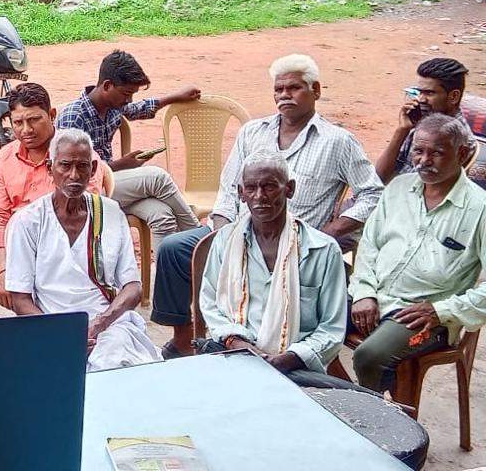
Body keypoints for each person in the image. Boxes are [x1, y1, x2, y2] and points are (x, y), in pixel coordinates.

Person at [152, 54, 383, 360]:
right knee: (174, 249)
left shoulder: (337, 141)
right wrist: (225, 235)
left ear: (316, 90)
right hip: (242, 231)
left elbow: (373, 194)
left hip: (298, 241)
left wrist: (329, 231)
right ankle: (184, 341)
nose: (284, 95)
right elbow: (229, 188)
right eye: (279, 90)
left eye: (294, 88)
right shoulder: (253, 132)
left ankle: (275, 347)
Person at [349, 113, 486, 393]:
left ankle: (378, 427)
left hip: (423, 315)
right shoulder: (398, 188)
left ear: (461, 153)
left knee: (369, 357)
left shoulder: (479, 208)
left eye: (436, 153)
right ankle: (351, 399)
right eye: (418, 151)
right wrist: (364, 292)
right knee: (307, 318)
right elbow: (369, 244)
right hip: (374, 297)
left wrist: (441, 311)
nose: (424, 161)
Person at [6, 129, 160, 371]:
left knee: (114, 364)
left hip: (107, 324)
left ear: (94, 169)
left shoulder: (110, 212)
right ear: (50, 167)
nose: (74, 175)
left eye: (82, 166)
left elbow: (132, 287)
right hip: (52, 327)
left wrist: (99, 324)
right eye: (65, 166)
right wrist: (62, 333)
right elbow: (21, 299)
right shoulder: (27, 221)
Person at [199, 151, 348, 386]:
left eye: (269, 186)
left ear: (289, 189)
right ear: (241, 193)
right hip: (235, 358)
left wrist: (287, 359)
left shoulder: (323, 250)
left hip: (296, 369)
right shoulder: (225, 242)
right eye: (251, 188)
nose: (260, 196)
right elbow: (210, 305)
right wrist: (240, 345)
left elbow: (331, 328)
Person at [0, 83, 106, 316]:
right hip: (9, 242)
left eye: (34, 120)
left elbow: (84, 217)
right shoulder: (7, 155)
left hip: (55, 246)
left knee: (39, 292)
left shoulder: (77, 154)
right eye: (18, 122)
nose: (26, 129)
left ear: (52, 115)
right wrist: (4, 267)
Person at [56, 50, 200, 251]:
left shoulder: (112, 105)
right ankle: (199, 236)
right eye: (126, 94)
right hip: (85, 193)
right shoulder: (74, 117)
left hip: (112, 186)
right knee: (157, 178)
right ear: (107, 85)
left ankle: (164, 281)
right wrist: (120, 165)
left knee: (162, 216)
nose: (129, 100)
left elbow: (139, 108)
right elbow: (70, 174)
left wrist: (175, 97)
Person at [376, 58, 476, 185]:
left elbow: (423, 193)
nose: (421, 99)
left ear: (454, 96)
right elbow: (379, 177)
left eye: (429, 93)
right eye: (419, 92)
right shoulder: (422, 124)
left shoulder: (460, 141)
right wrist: (402, 130)